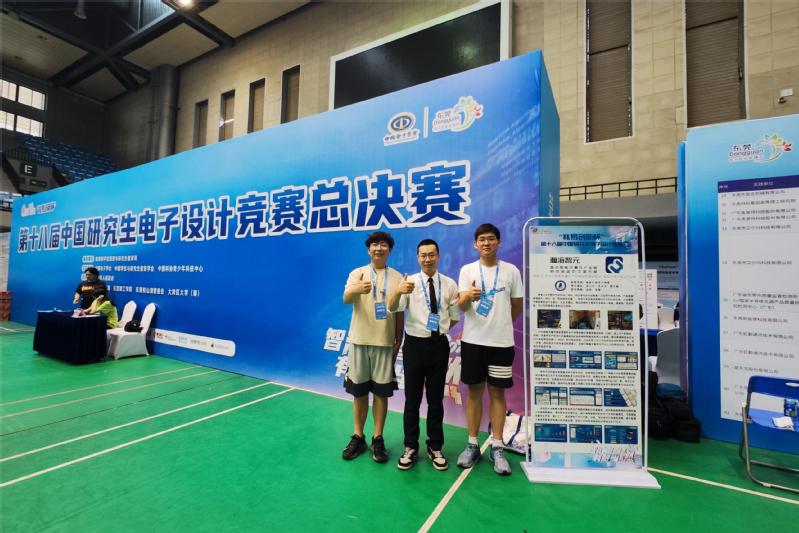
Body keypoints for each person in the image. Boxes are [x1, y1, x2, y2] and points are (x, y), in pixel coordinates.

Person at [456, 223, 523, 476]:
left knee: (497, 394)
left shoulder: (511, 271)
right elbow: (461, 307)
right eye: (482, 239)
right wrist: (469, 297)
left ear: (499, 242)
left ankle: (497, 447)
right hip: (473, 342)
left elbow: (517, 305)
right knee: (474, 393)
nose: (486, 243)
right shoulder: (467, 270)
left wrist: (501, 325)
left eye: (491, 239)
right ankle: (472, 444)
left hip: (501, 344)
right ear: (475, 244)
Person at [388, 239, 460, 471]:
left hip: (438, 346)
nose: (427, 259)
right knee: (412, 399)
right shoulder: (408, 282)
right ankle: (410, 446)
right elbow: (392, 308)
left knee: (435, 400)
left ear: (438, 256)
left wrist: (439, 330)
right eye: (423, 255)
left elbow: (454, 316)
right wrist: (398, 291)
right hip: (414, 346)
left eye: (431, 254)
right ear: (418, 258)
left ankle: (435, 446)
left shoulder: (449, 284)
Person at [341, 231, 404, 463]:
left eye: (384, 245)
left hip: (384, 343)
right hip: (359, 341)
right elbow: (346, 298)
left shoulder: (397, 277)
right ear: (369, 250)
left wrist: (398, 339)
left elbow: (399, 312)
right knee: (359, 393)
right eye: (375, 244)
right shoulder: (357, 273)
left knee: (381, 394)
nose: (379, 248)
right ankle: (358, 436)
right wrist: (357, 289)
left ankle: (378, 438)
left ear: (389, 250)